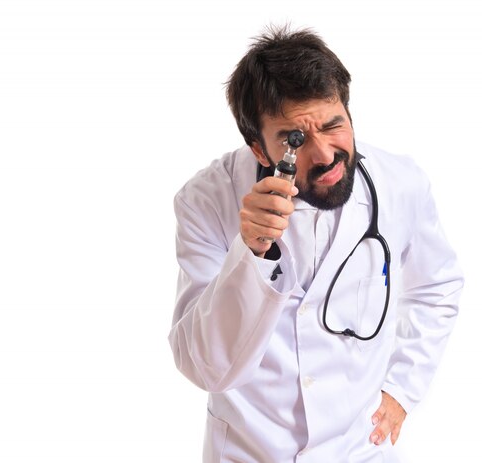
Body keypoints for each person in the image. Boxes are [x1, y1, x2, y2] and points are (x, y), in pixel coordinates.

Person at [169, 25, 463, 462]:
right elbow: (205, 367)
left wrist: (402, 389)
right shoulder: (206, 200)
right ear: (258, 149)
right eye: (296, 140)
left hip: (359, 448)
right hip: (251, 450)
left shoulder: (399, 184)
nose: (325, 155)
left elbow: (437, 288)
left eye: (334, 125)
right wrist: (250, 253)